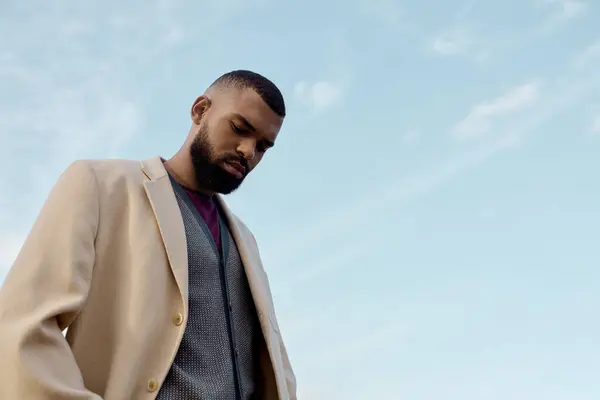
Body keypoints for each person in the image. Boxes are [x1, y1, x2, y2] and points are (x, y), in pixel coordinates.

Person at [0, 70, 296, 400]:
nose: (247, 151)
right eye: (240, 129)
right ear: (200, 110)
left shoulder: (246, 241)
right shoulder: (100, 185)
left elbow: (274, 366)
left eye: (263, 147)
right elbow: (23, 327)